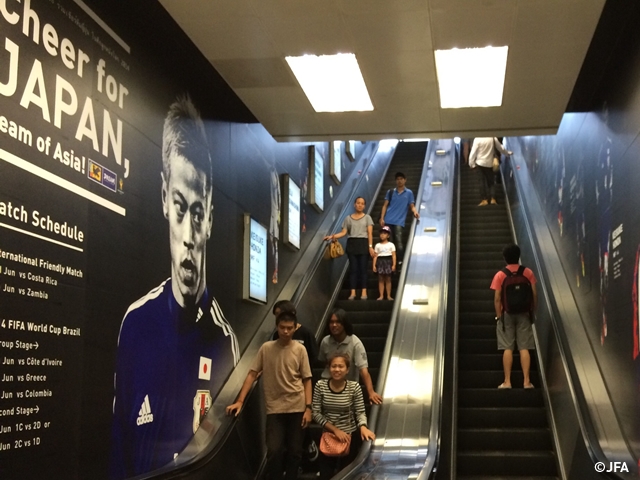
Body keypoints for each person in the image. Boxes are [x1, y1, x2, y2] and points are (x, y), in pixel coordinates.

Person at [110, 96, 239, 479]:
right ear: (165, 198)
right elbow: (119, 443)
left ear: (211, 220)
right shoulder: (136, 323)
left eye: (198, 213)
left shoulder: (224, 340)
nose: (188, 235)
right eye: (181, 207)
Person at [226, 311, 312, 480]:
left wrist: (308, 408)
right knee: (274, 450)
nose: (285, 331)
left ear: (295, 328)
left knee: (295, 451)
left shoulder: (300, 349)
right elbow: (252, 374)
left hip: (297, 406)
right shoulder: (266, 348)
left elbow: (307, 379)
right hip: (275, 408)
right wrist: (240, 401)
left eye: (289, 328)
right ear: (276, 327)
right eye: (282, 328)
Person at [312, 353, 375, 480]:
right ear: (329, 368)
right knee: (326, 475)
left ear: (347, 370)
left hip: (349, 437)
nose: (337, 369)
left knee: (347, 475)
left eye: (341, 366)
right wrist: (335, 430)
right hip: (328, 437)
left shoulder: (354, 387)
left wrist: (362, 426)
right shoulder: (320, 386)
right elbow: (316, 413)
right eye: (334, 366)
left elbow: (360, 411)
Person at [490, 244, 537, 389]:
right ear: (518, 256)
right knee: (524, 347)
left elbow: (497, 298)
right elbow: (534, 294)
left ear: (505, 258)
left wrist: (499, 316)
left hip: (507, 315)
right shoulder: (528, 272)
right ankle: (527, 382)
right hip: (524, 314)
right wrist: (532, 311)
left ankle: (507, 381)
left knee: (507, 348)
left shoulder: (500, 275)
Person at [318, 309, 382, 405]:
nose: (334, 325)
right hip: (327, 386)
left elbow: (363, 370)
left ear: (344, 324)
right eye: (331, 322)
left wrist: (371, 392)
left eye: (338, 322)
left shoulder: (355, 343)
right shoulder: (325, 342)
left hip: (348, 388)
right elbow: (324, 362)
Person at [324, 197, 374, 300]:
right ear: (354, 204)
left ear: (364, 206)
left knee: (363, 269)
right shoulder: (348, 218)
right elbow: (344, 232)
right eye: (358, 203)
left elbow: (370, 233)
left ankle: (364, 292)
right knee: (353, 269)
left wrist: (370, 247)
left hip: (363, 243)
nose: (360, 205)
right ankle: (353, 292)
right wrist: (332, 236)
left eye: (362, 203)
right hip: (352, 244)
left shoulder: (367, 218)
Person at [379, 172, 419, 264]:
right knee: (388, 243)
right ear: (395, 181)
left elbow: (411, 205)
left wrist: (415, 212)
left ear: (405, 180)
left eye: (401, 179)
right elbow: (385, 205)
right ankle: (389, 263)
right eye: (398, 179)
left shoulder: (408, 193)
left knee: (399, 242)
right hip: (388, 220)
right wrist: (382, 218)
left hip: (399, 222)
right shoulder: (391, 192)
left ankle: (400, 262)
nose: (399, 181)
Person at [468, 137, 513, 206]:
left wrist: (472, 164)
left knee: (481, 182)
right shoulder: (492, 138)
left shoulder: (477, 139)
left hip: (480, 164)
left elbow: (473, 152)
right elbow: (500, 148)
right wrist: (507, 153)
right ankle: (493, 199)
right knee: (491, 182)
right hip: (489, 164)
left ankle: (484, 200)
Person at [373, 225, 396, 300]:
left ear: (388, 235)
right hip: (380, 261)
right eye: (381, 233)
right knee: (381, 279)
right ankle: (381, 295)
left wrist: (394, 265)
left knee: (388, 279)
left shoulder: (391, 244)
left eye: (385, 233)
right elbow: (375, 256)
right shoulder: (377, 245)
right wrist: (374, 265)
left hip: (388, 261)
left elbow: (394, 255)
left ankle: (389, 295)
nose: (382, 235)